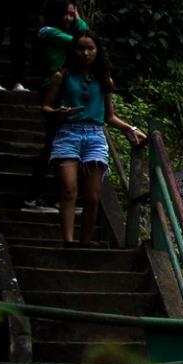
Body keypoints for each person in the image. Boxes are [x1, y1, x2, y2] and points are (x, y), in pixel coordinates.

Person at [41, 32, 146, 247]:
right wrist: (58, 112)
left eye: (90, 48)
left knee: (92, 196)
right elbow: (46, 106)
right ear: (74, 51)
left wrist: (130, 128)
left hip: (95, 135)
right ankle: (68, 241)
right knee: (69, 189)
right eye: (81, 48)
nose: (86, 53)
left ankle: (85, 241)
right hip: (68, 133)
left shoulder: (103, 80)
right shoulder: (62, 76)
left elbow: (109, 116)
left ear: (97, 51)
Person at [27, 0, 88, 210]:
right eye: (67, 13)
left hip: (65, 88)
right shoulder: (49, 32)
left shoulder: (61, 33)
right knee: (53, 143)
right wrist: (79, 20)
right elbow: (82, 40)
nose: (70, 18)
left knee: (62, 144)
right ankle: (33, 195)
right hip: (52, 88)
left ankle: (56, 196)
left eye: (72, 14)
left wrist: (77, 16)